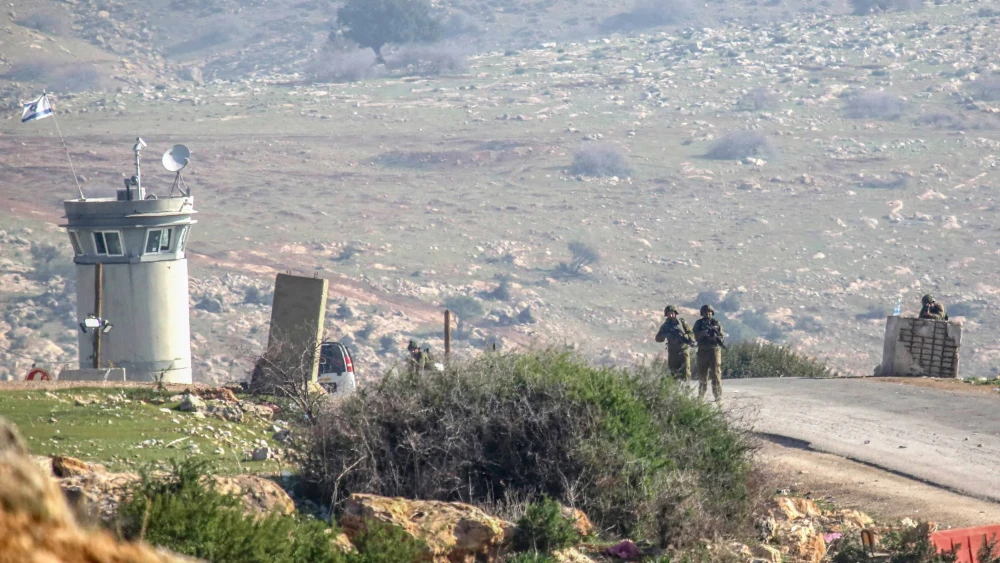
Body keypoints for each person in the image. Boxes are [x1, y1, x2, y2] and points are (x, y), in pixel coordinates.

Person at [692, 304, 725, 402]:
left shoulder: (716, 323)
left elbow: (721, 336)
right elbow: (695, 336)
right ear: (702, 313)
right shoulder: (699, 323)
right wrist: (704, 334)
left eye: (710, 312)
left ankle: (717, 395)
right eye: (706, 312)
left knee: (716, 373)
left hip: (714, 350)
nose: (708, 314)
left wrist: (715, 337)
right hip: (702, 350)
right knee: (703, 374)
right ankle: (701, 395)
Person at [654, 305, 695, 381]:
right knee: (673, 375)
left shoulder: (682, 323)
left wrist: (685, 336)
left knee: (686, 373)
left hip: (683, 351)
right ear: (666, 315)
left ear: (675, 313)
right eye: (669, 313)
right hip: (673, 353)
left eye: (672, 313)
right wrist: (666, 334)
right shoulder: (665, 326)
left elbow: (691, 334)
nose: (671, 315)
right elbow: (658, 338)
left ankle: (686, 390)